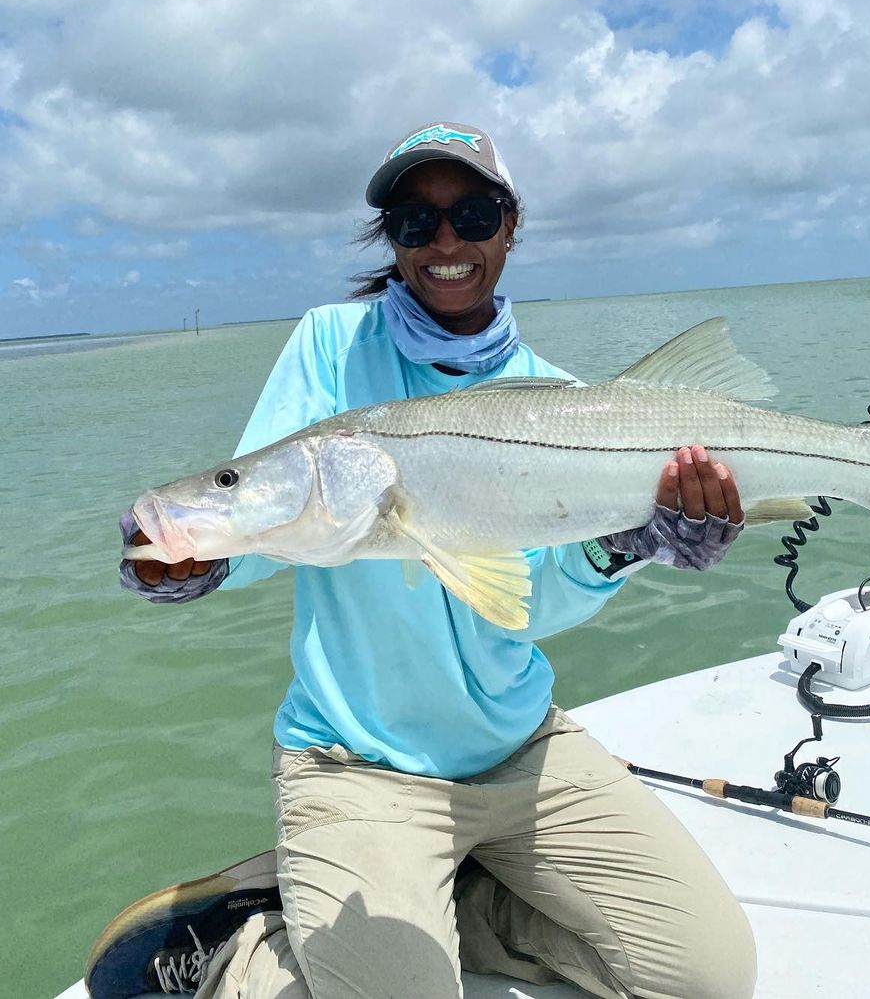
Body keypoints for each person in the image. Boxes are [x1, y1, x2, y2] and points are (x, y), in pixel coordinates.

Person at [101, 121, 757, 999]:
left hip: (520, 751)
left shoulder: (563, 401)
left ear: (511, 226)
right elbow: (273, 515)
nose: (446, 242)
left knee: (708, 978)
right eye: (416, 222)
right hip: (356, 764)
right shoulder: (334, 346)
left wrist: (632, 541)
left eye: (474, 213)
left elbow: (532, 608)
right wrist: (199, 555)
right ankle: (245, 949)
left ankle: (462, 903)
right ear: (393, 241)